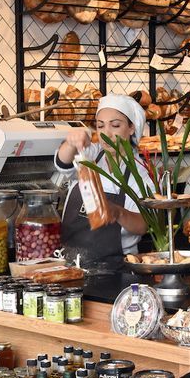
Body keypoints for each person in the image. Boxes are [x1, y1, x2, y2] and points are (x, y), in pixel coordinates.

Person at [54, 94, 153, 268]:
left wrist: (116, 212)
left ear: (131, 128)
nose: (106, 133)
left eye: (115, 125)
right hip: (71, 264)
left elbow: (143, 224)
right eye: (100, 126)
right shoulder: (91, 154)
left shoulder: (141, 173)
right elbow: (63, 163)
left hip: (116, 267)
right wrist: (72, 141)